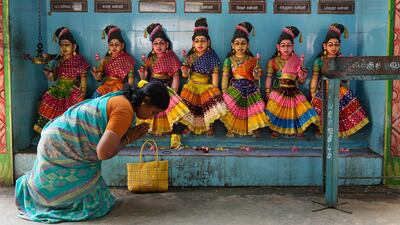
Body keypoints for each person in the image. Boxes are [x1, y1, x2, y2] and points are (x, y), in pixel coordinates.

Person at [15, 80, 169, 223]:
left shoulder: (121, 98)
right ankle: (46, 199)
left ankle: (41, 194)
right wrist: (129, 138)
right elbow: (103, 152)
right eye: (154, 112)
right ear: (145, 101)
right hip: (60, 145)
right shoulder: (124, 111)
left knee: (99, 197)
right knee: (91, 204)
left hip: (56, 135)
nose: (151, 118)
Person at [310, 23, 369, 137]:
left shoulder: (342, 60)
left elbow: (345, 80)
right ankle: (323, 130)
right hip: (323, 90)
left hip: (339, 89)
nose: (333, 47)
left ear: (340, 46)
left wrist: (349, 70)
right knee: (321, 107)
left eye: (336, 44)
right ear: (324, 46)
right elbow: (314, 78)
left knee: (343, 107)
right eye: (330, 44)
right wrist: (313, 93)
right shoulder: (319, 61)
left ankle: (341, 130)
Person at [137, 23, 189, 148]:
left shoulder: (172, 58)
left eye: (161, 43)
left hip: (166, 88)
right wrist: (143, 77)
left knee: (172, 111)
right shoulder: (150, 59)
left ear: (167, 44)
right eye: (156, 43)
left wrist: (174, 92)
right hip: (151, 87)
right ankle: (155, 130)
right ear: (152, 46)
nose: (159, 46)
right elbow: (147, 76)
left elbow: (176, 76)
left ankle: (172, 134)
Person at [33, 27, 89, 133]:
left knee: (74, 109)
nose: (64, 48)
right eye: (61, 45)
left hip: (74, 89)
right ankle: (51, 131)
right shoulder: (58, 60)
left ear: (74, 46)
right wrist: (49, 72)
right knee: (48, 100)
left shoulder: (79, 59)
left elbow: (83, 77)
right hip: (58, 88)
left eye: (67, 45)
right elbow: (54, 78)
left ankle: (69, 132)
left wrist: (83, 92)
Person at [179, 17, 227, 138]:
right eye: (197, 41)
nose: (200, 44)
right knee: (189, 105)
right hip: (192, 85)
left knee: (208, 106)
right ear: (193, 43)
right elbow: (185, 76)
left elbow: (215, 74)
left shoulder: (212, 56)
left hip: (206, 85)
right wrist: (185, 72)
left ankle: (208, 125)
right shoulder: (190, 57)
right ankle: (189, 126)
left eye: (203, 41)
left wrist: (214, 89)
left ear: (208, 42)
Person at [220, 22, 269, 137]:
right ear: (232, 45)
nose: (240, 46)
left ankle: (252, 126)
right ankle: (232, 127)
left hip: (250, 87)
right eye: (237, 43)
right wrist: (224, 92)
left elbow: (256, 78)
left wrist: (256, 73)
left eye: (243, 43)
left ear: (248, 45)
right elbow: (226, 76)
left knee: (251, 109)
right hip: (235, 87)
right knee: (233, 108)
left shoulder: (252, 59)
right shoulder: (229, 60)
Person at [92, 25, 135, 97]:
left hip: (120, 87)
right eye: (111, 44)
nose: (114, 47)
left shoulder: (128, 59)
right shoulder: (105, 60)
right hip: (105, 87)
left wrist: (129, 90)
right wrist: (97, 76)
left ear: (122, 45)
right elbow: (100, 78)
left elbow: (130, 78)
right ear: (108, 46)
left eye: (117, 44)